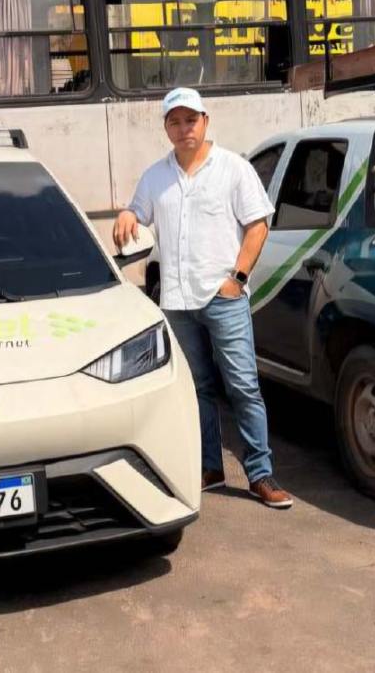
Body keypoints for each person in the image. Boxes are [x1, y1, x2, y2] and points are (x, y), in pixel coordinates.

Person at [113, 87, 292, 509]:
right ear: (166, 128)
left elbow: (258, 225)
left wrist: (238, 278)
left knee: (243, 386)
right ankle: (210, 467)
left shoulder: (233, 168)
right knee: (197, 389)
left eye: (190, 120)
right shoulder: (155, 177)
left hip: (223, 297)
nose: (184, 129)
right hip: (177, 302)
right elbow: (139, 213)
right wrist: (128, 213)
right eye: (175, 122)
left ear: (205, 121)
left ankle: (260, 474)